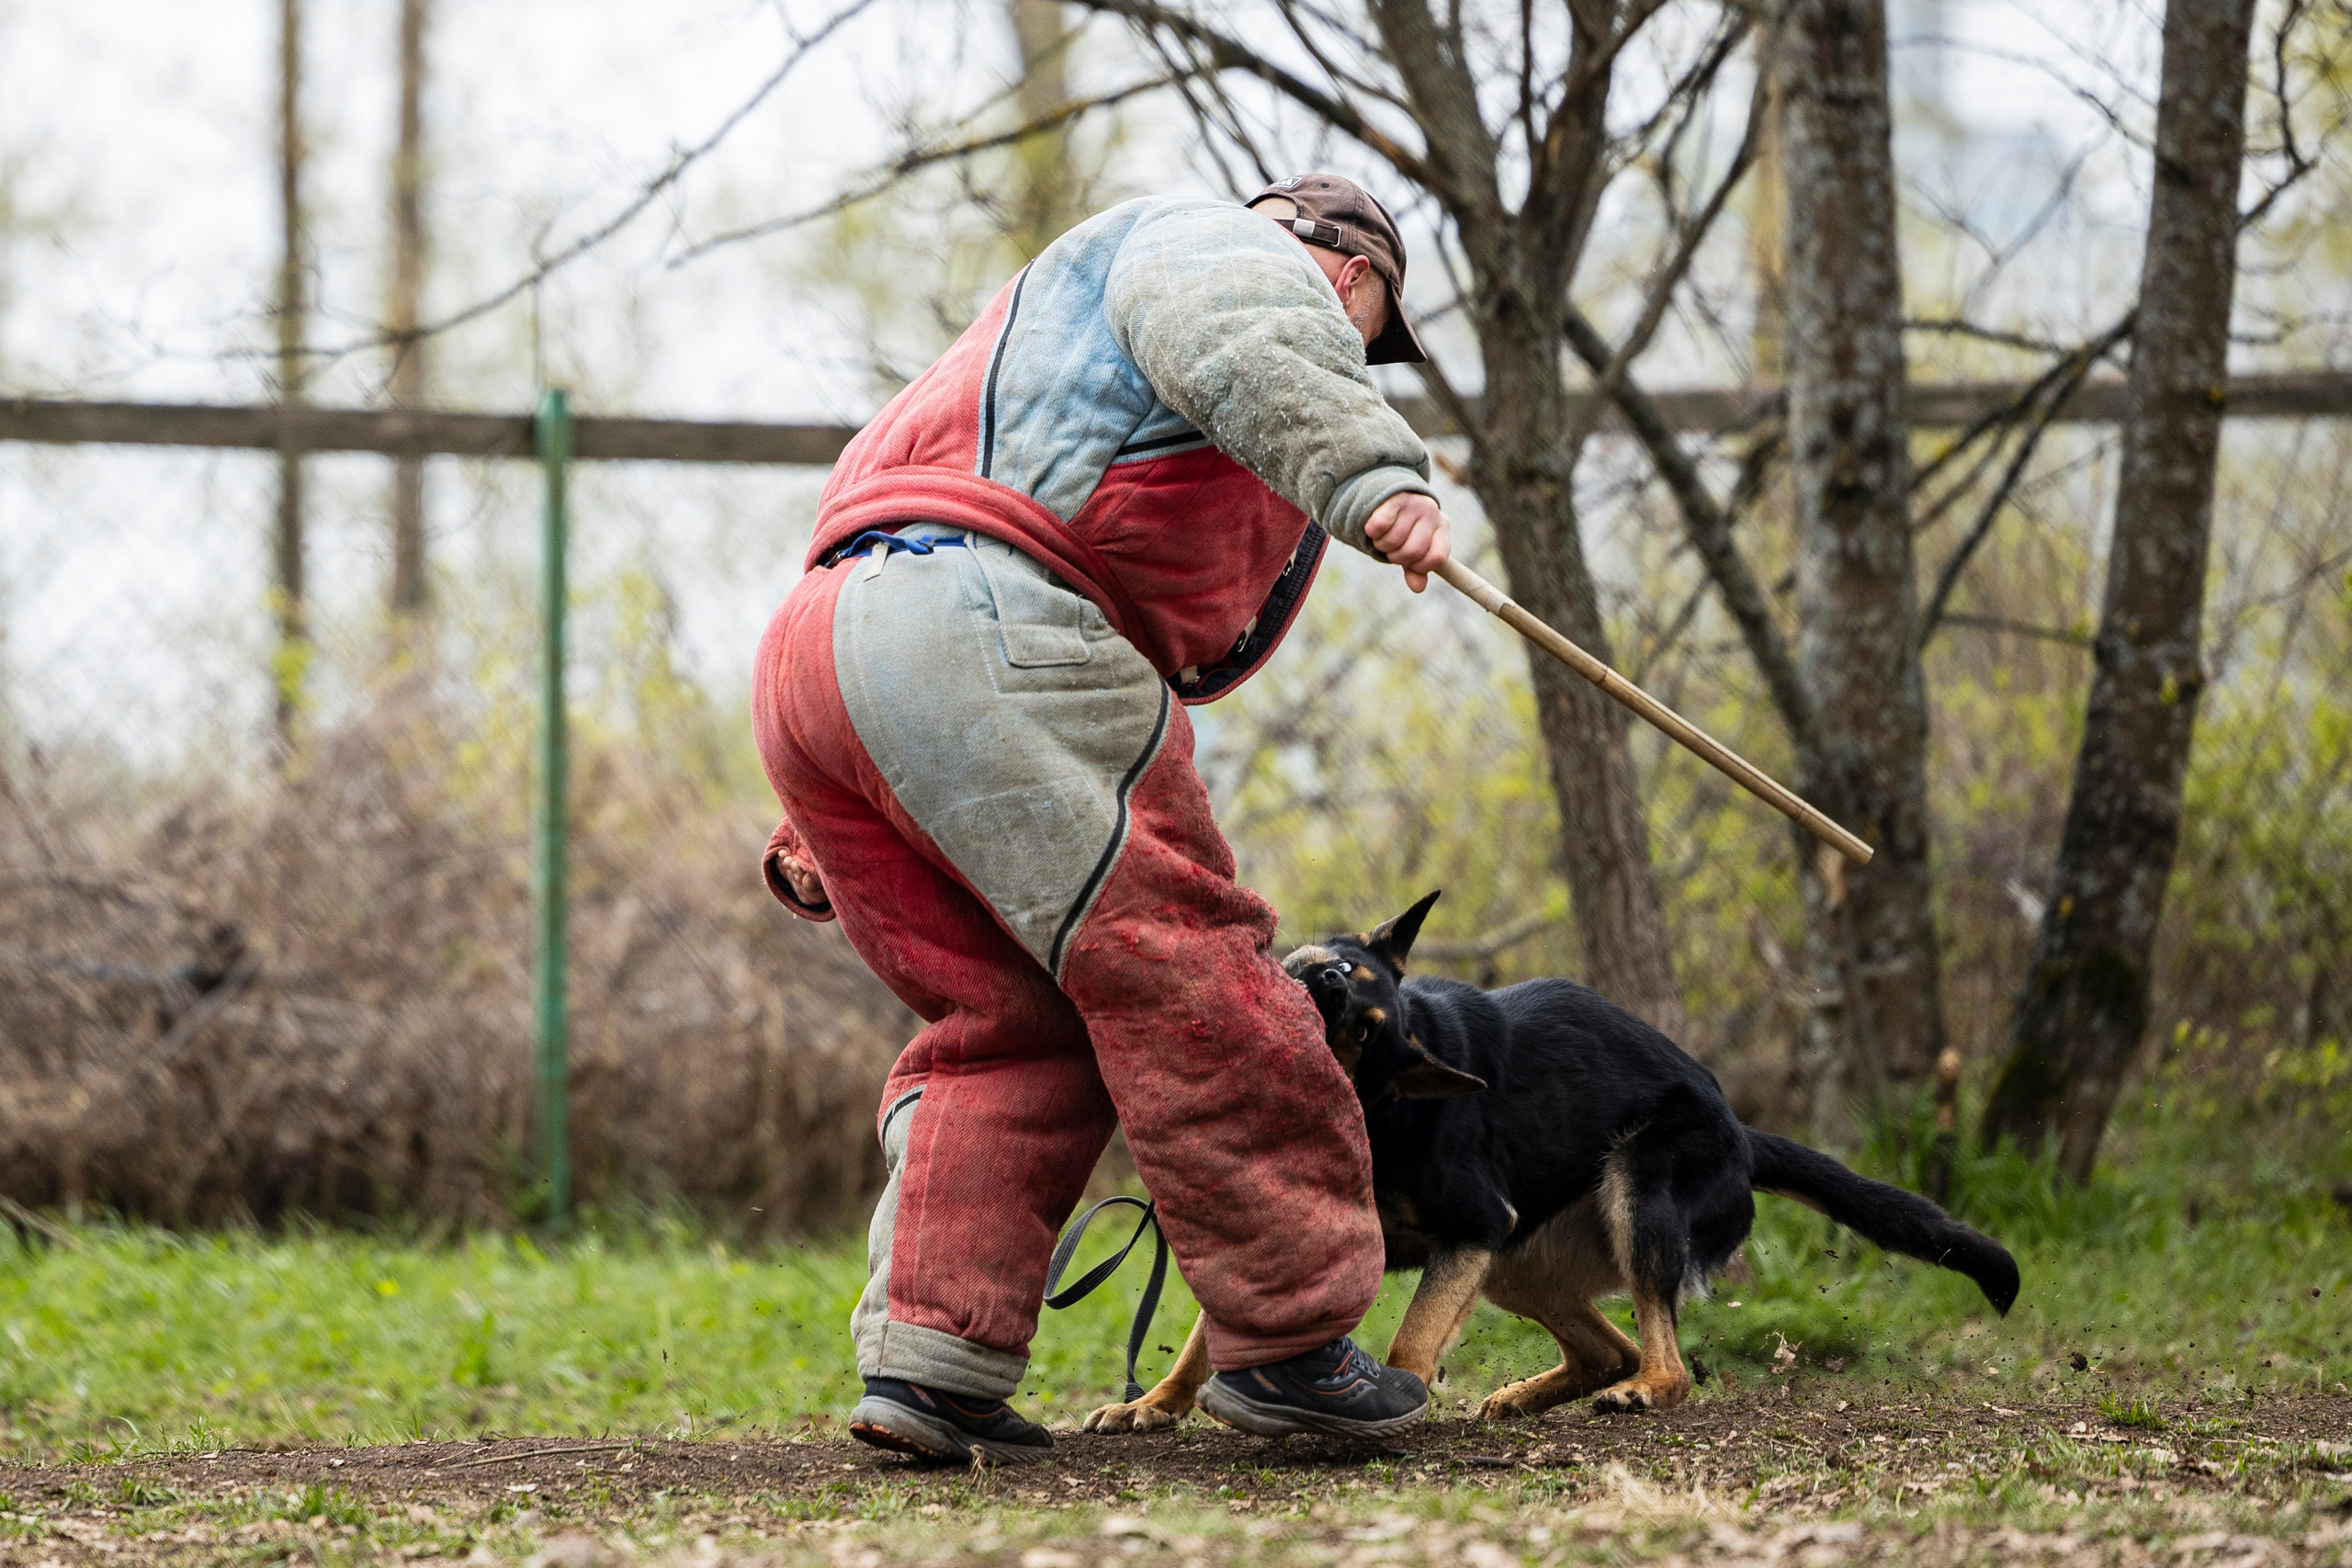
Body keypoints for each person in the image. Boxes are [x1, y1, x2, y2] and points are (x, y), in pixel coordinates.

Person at [752, 174, 1453, 1463]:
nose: (1355, 354)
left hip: (830, 652)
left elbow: (896, 557)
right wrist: (1373, 472)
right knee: (1191, 971)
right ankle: (1293, 1345)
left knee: (1007, 1027)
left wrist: (819, 820)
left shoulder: (1027, 333)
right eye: (1370, 338)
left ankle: (933, 1367)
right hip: (992, 629)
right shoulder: (1227, 249)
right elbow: (1247, 326)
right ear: (1351, 274)